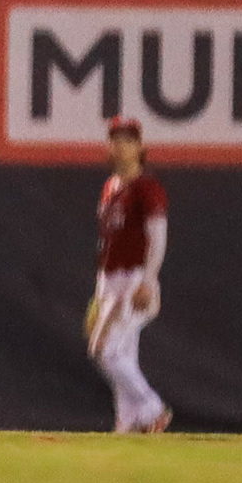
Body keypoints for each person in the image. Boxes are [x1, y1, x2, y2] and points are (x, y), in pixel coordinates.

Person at [85, 116, 171, 434]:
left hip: (134, 278)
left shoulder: (147, 187)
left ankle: (152, 409)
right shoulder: (110, 187)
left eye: (128, 140)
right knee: (123, 354)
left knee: (104, 350)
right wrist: (99, 292)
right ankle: (128, 422)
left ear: (141, 147)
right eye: (115, 139)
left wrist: (148, 281)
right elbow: (107, 242)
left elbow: (158, 236)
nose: (120, 146)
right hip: (110, 281)